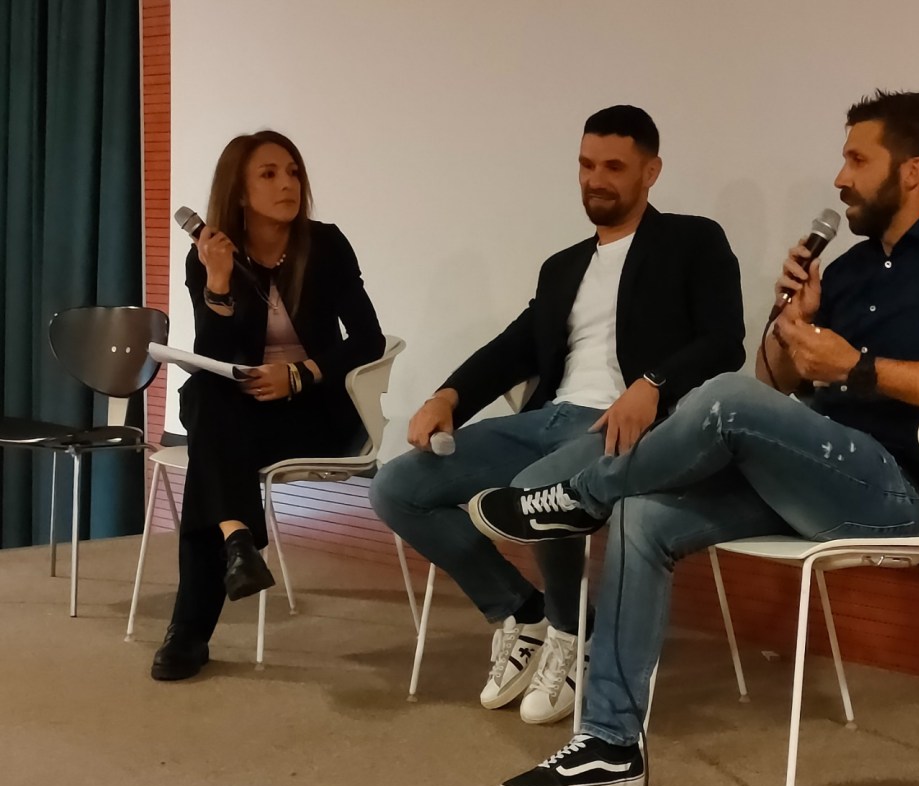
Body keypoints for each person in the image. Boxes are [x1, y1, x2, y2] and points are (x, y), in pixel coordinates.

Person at [469, 90, 919, 786]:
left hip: (896, 490)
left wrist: (859, 368)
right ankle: (610, 744)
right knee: (644, 515)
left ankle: (580, 497)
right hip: (808, 475)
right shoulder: (850, 270)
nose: (840, 178)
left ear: (913, 170)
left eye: (857, 160)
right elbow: (779, 384)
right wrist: (790, 324)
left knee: (724, 396)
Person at [370, 105, 745, 725]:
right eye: (586, 165)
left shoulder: (692, 241)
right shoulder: (563, 266)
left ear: (651, 171)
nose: (595, 179)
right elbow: (515, 345)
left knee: (536, 489)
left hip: (631, 429)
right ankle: (521, 612)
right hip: (546, 421)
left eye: (614, 167)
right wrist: (448, 396)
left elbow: (724, 341)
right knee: (397, 487)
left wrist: (652, 384)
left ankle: (573, 635)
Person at [151, 130, 385, 681]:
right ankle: (237, 543)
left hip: (319, 412)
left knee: (210, 459)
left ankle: (193, 623)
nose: (288, 184)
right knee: (206, 397)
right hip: (243, 414)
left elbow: (368, 339)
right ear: (238, 191)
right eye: (270, 174)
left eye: (293, 172)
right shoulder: (209, 256)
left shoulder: (325, 245)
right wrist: (218, 282)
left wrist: (301, 374)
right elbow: (213, 356)